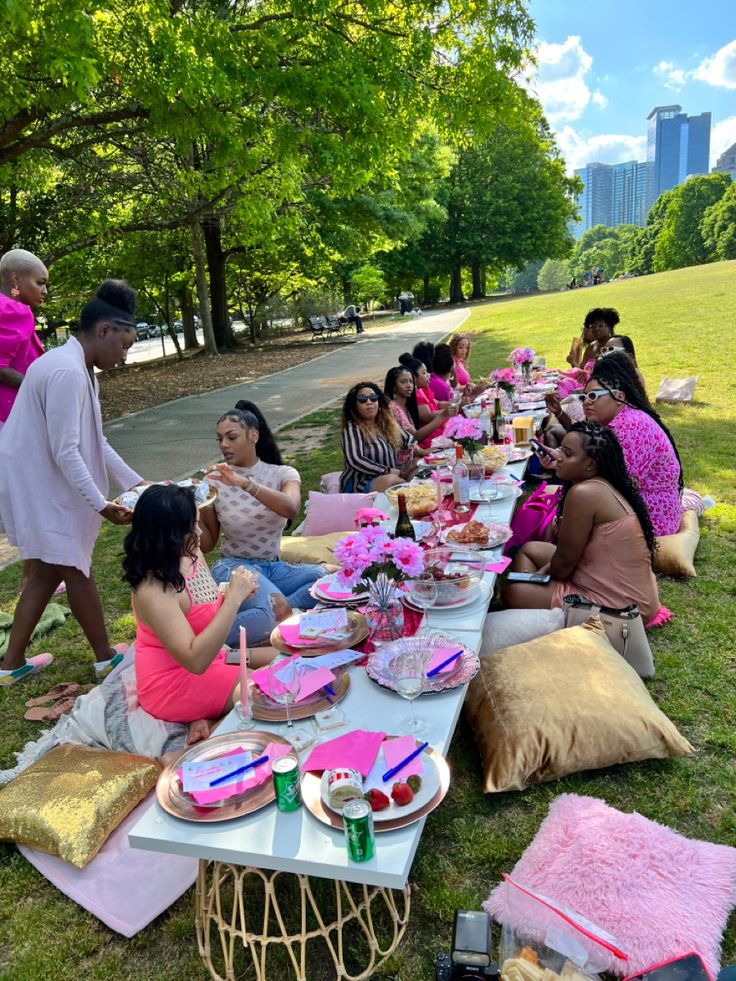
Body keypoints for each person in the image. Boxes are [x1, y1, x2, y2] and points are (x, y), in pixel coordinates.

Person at [0, 280, 144, 684]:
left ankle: (10, 665)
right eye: (125, 345)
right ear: (103, 331)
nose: (124, 356)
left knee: (49, 569)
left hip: (45, 477)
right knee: (73, 564)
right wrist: (101, 503)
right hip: (37, 479)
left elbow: (95, 440)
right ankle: (104, 657)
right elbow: (67, 451)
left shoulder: (80, 367)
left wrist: (138, 482)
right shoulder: (65, 371)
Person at [124, 484, 274, 728]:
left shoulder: (190, 554)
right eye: (193, 525)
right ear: (170, 534)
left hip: (215, 657)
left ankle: (210, 718)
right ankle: (209, 723)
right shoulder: (153, 590)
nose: (200, 532)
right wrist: (234, 599)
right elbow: (195, 661)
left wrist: (230, 592)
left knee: (286, 656)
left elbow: (202, 606)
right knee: (269, 690)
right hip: (174, 682)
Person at [503, 422, 662, 624]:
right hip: (604, 577)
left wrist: (543, 575)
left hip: (622, 608)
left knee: (512, 592)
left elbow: (564, 565)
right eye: (561, 448)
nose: (558, 456)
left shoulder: (584, 493)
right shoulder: (598, 483)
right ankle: (537, 607)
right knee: (530, 550)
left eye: (568, 454)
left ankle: (538, 613)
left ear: (590, 465)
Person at [198, 407, 324, 646]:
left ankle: (276, 611)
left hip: (272, 567)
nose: (223, 444)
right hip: (234, 566)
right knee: (274, 612)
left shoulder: (282, 473)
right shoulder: (213, 482)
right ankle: (200, 641)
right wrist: (192, 510)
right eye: (220, 439)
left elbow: (290, 508)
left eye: (231, 437)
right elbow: (208, 543)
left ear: (253, 436)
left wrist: (245, 483)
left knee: (323, 579)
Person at [578, 353, 683, 536]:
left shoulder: (631, 426)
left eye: (594, 396)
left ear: (619, 397)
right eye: (584, 396)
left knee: (579, 501)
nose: (587, 402)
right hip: (641, 508)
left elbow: (619, 484)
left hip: (652, 520)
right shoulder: (620, 419)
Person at [0, 249, 48, 434]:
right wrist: (43, 387)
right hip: (11, 417)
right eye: (40, 283)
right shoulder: (15, 310)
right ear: (15, 279)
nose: (45, 291)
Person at [339, 381, 415, 492]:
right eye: (362, 399)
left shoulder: (385, 423)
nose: (369, 402)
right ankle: (413, 493)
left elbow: (408, 438)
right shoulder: (353, 428)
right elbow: (355, 460)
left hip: (393, 474)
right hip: (360, 483)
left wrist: (414, 447)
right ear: (354, 406)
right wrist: (386, 471)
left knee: (420, 464)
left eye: (373, 398)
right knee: (391, 481)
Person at [384, 365, 448, 453]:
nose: (409, 385)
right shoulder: (394, 407)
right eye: (403, 382)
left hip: (414, 452)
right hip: (404, 459)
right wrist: (442, 416)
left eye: (411, 381)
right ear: (394, 386)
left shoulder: (407, 405)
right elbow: (416, 436)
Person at [398, 353, 448, 447]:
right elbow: (427, 416)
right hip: (429, 440)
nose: (428, 375)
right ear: (414, 377)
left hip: (438, 433)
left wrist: (458, 403)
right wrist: (445, 413)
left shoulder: (423, 389)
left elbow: (439, 403)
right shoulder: (414, 395)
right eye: (424, 373)